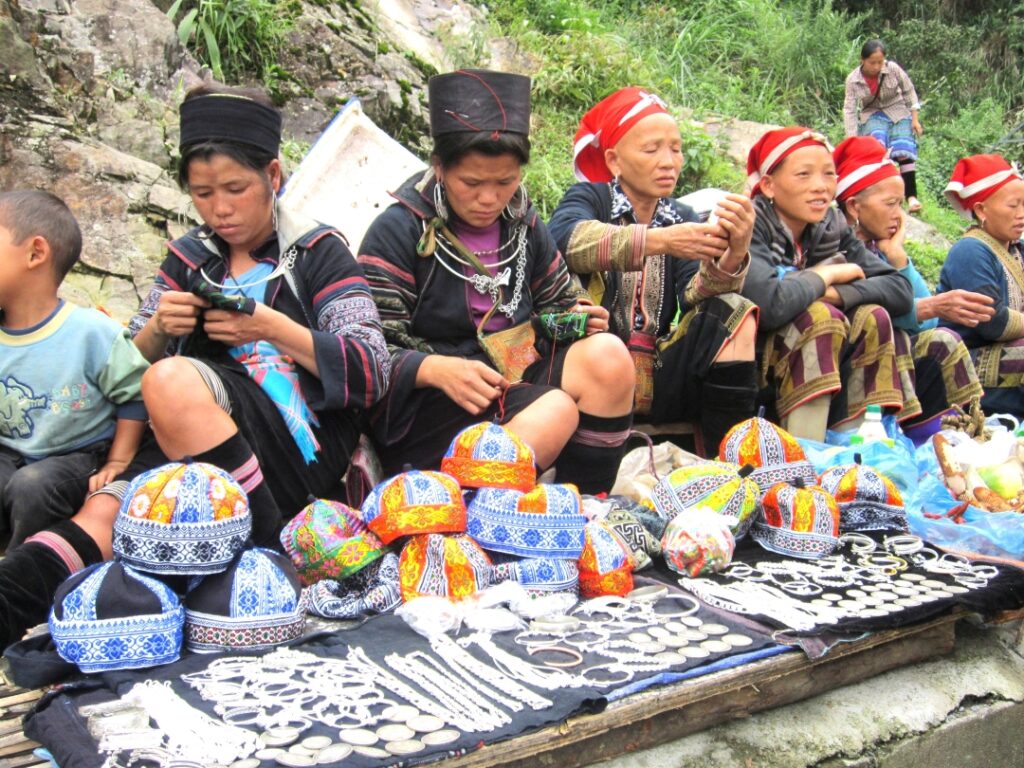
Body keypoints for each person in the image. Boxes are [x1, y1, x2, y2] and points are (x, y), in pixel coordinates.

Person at [0, 84, 391, 647]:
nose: (220, 208)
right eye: (203, 193)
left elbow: (370, 366)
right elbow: (127, 361)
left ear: (273, 177)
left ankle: (267, 549)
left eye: (236, 189)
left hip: (296, 445)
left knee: (174, 379)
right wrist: (162, 326)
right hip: (187, 438)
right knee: (115, 516)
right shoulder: (189, 257)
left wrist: (270, 326)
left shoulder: (318, 252)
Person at [359, 69, 635, 494]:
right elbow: (366, 348)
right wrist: (433, 368)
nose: (489, 198)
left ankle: (584, 505)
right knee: (555, 409)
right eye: (471, 183)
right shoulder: (398, 231)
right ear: (439, 167)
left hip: (514, 380)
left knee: (609, 359)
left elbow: (557, 300)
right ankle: (450, 506)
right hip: (436, 402)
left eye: (505, 182)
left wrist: (575, 318)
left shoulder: (522, 223)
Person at [548, 87, 758, 456]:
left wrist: (734, 253)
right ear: (614, 160)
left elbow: (695, 295)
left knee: (733, 311)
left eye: (675, 149)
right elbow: (567, 241)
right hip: (595, 361)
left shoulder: (680, 216)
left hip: (659, 366)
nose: (669, 162)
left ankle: (730, 459)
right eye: (651, 149)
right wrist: (661, 241)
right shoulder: (589, 198)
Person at [742, 127, 914, 442]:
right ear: (768, 185)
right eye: (804, 175)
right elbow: (769, 305)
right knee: (821, 317)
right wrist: (826, 276)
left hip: (818, 354)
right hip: (750, 362)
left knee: (873, 316)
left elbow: (900, 291)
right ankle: (807, 455)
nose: (821, 188)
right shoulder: (750, 223)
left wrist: (836, 294)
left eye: (829, 175)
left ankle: (855, 451)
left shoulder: (830, 227)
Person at [0, 191, 151, 547]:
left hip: (75, 456)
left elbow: (134, 394)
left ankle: (27, 568)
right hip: (10, 450)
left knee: (33, 487)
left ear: (36, 253)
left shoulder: (92, 333)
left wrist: (119, 460)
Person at [832, 137, 988, 441]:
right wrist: (929, 307)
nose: (898, 215)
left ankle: (953, 439)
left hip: (884, 359)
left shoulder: (880, 250)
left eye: (901, 205)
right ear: (853, 206)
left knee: (942, 340)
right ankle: (891, 440)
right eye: (890, 204)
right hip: (844, 368)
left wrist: (898, 257)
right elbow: (867, 313)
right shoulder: (838, 248)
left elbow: (929, 323)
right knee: (900, 338)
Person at [939, 155, 1024, 418]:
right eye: (1013, 206)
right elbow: (992, 322)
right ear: (981, 210)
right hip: (965, 360)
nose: (1021, 214)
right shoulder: (971, 250)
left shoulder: (1017, 250)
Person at [844, 39, 924, 214]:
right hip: (872, 113)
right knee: (877, 148)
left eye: (880, 62)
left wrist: (915, 119)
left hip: (898, 110)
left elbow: (909, 91)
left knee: (904, 150)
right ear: (862, 60)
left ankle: (911, 197)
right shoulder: (853, 80)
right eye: (872, 62)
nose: (876, 66)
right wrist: (852, 137)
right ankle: (885, 195)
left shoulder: (892, 69)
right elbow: (849, 109)